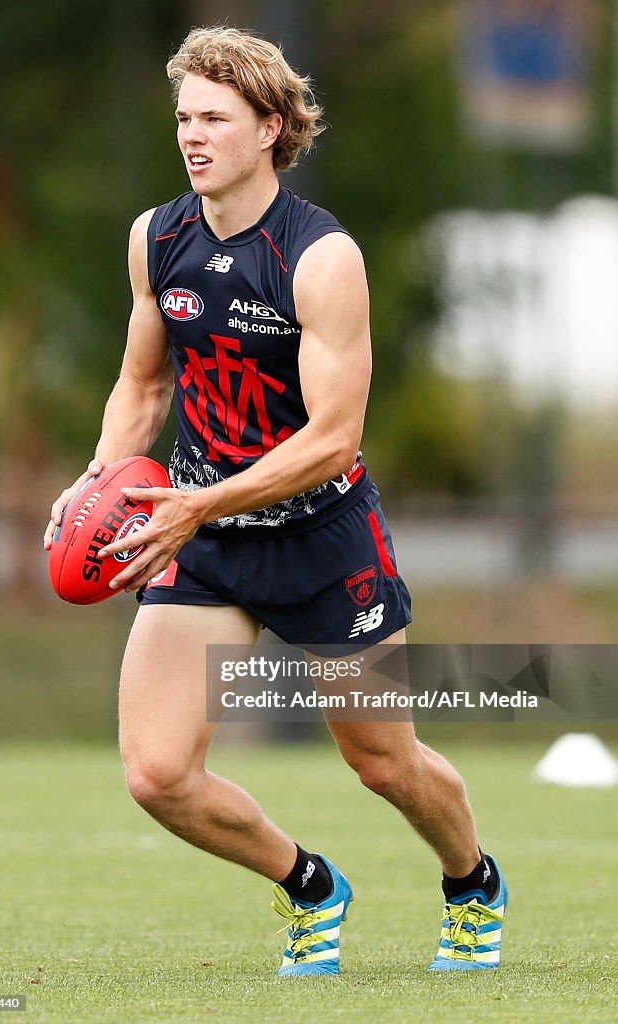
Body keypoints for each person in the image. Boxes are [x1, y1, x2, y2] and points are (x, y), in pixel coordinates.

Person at [43, 26, 507, 975]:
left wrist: (194, 508)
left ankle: (471, 881)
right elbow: (143, 388)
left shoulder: (320, 256)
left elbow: (332, 439)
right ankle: (308, 886)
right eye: (183, 117)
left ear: (271, 126)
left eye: (214, 117)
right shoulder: (156, 237)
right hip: (205, 538)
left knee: (383, 763)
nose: (192, 135)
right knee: (157, 773)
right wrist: (97, 480)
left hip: (322, 537)